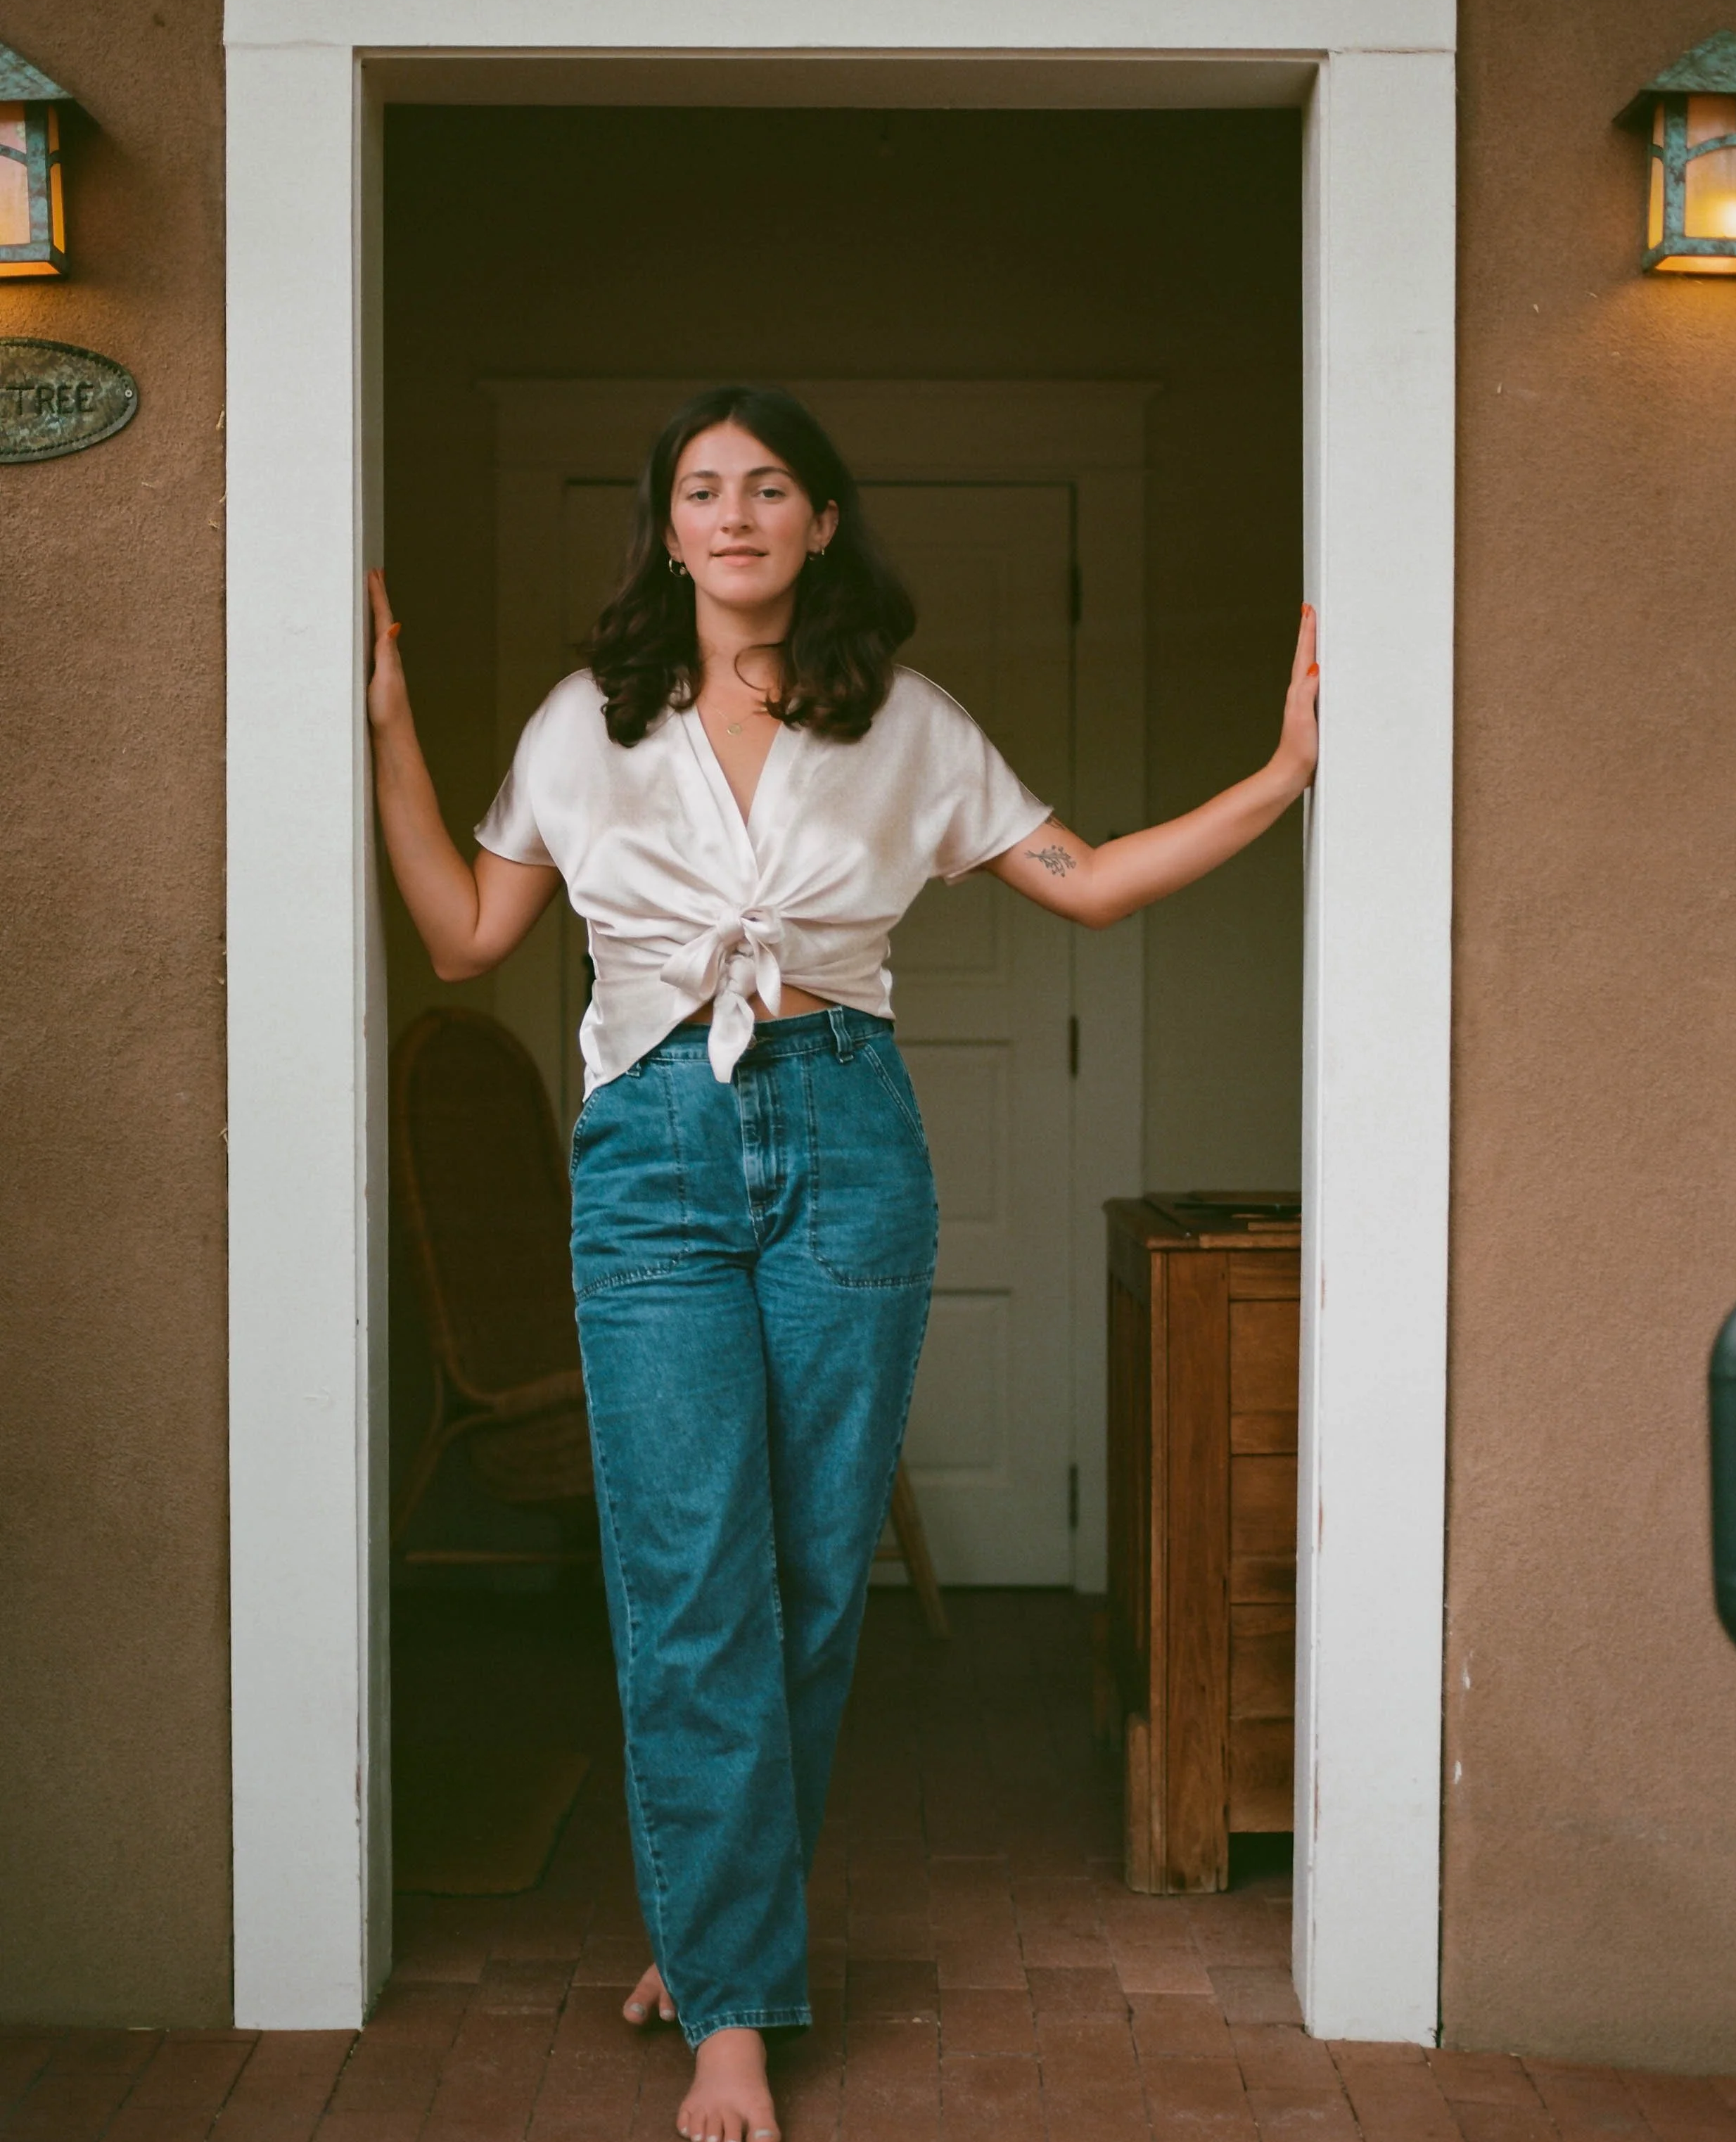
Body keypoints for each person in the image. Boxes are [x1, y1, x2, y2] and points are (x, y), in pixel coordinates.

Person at [367, 385, 1319, 2142]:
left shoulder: (908, 727)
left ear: (818, 525)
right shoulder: (589, 725)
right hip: (651, 1152)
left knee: (810, 1573)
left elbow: (1091, 882)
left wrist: (1279, 776)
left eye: (770, 487)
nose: (734, 515)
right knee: (690, 1575)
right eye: (702, 489)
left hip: (850, 1141)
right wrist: (389, 725)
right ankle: (733, 2002)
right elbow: (462, 932)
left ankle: (713, 1931)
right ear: (666, 530)